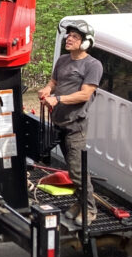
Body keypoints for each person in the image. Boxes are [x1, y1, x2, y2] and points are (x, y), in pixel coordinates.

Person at [37, 20, 102, 223]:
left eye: (75, 36)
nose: (69, 38)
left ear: (85, 42)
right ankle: (79, 201)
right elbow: (54, 82)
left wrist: (57, 99)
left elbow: (84, 95)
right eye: (69, 35)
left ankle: (90, 210)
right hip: (60, 124)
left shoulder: (92, 65)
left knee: (77, 171)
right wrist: (48, 89)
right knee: (71, 169)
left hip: (76, 127)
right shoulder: (63, 60)